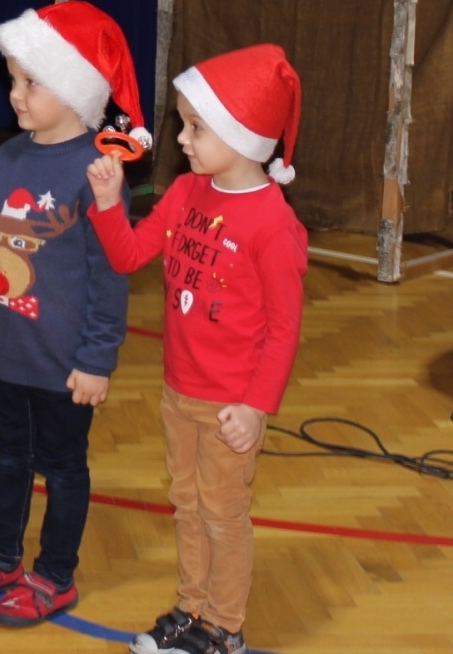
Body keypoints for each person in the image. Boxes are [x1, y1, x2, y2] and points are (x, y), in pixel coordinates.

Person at [0, 0, 147, 627]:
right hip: (5, 355)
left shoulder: (97, 174)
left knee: (63, 468)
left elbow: (110, 276)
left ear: (73, 90)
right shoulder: (9, 156)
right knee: (8, 456)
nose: (14, 94)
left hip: (64, 367)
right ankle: (2, 557)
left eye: (29, 82)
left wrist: (97, 361)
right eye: (13, 79)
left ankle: (55, 575)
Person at [86, 44, 307, 654]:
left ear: (245, 135)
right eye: (184, 123)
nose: (181, 138)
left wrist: (257, 405)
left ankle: (225, 628)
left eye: (197, 127)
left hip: (231, 404)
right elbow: (130, 255)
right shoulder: (185, 192)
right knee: (187, 504)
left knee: (223, 514)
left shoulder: (272, 224)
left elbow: (284, 329)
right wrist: (109, 206)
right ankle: (192, 607)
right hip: (178, 391)